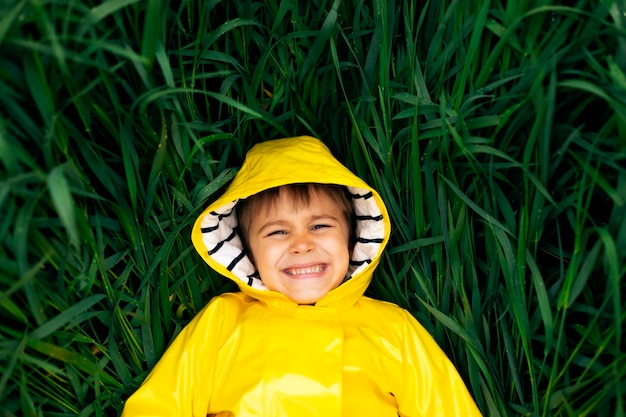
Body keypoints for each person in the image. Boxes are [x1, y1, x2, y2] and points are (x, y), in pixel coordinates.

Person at [121, 136, 482, 416]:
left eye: (320, 225)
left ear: (352, 236)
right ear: (248, 252)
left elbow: (444, 405)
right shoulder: (222, 323)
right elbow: (161, 404)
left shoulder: (391, 329)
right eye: (277, 232)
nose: (301, 244)